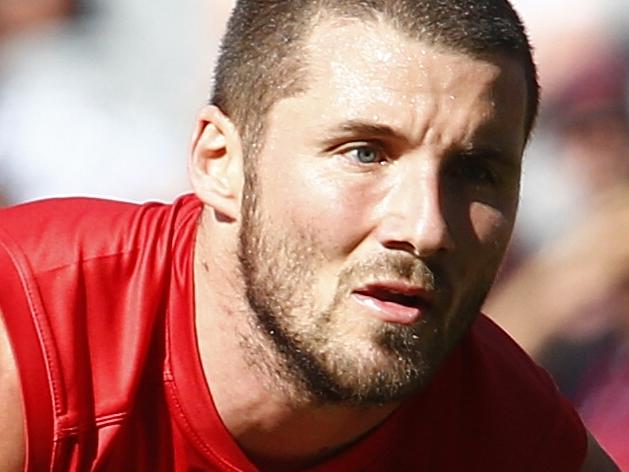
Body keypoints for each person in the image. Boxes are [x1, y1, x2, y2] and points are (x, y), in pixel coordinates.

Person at [0, 0, 619, 470]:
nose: (426, 227)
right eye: (365, 154)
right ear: (221, 163)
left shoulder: (508, 429)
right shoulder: (33, 336)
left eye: (475, 172)